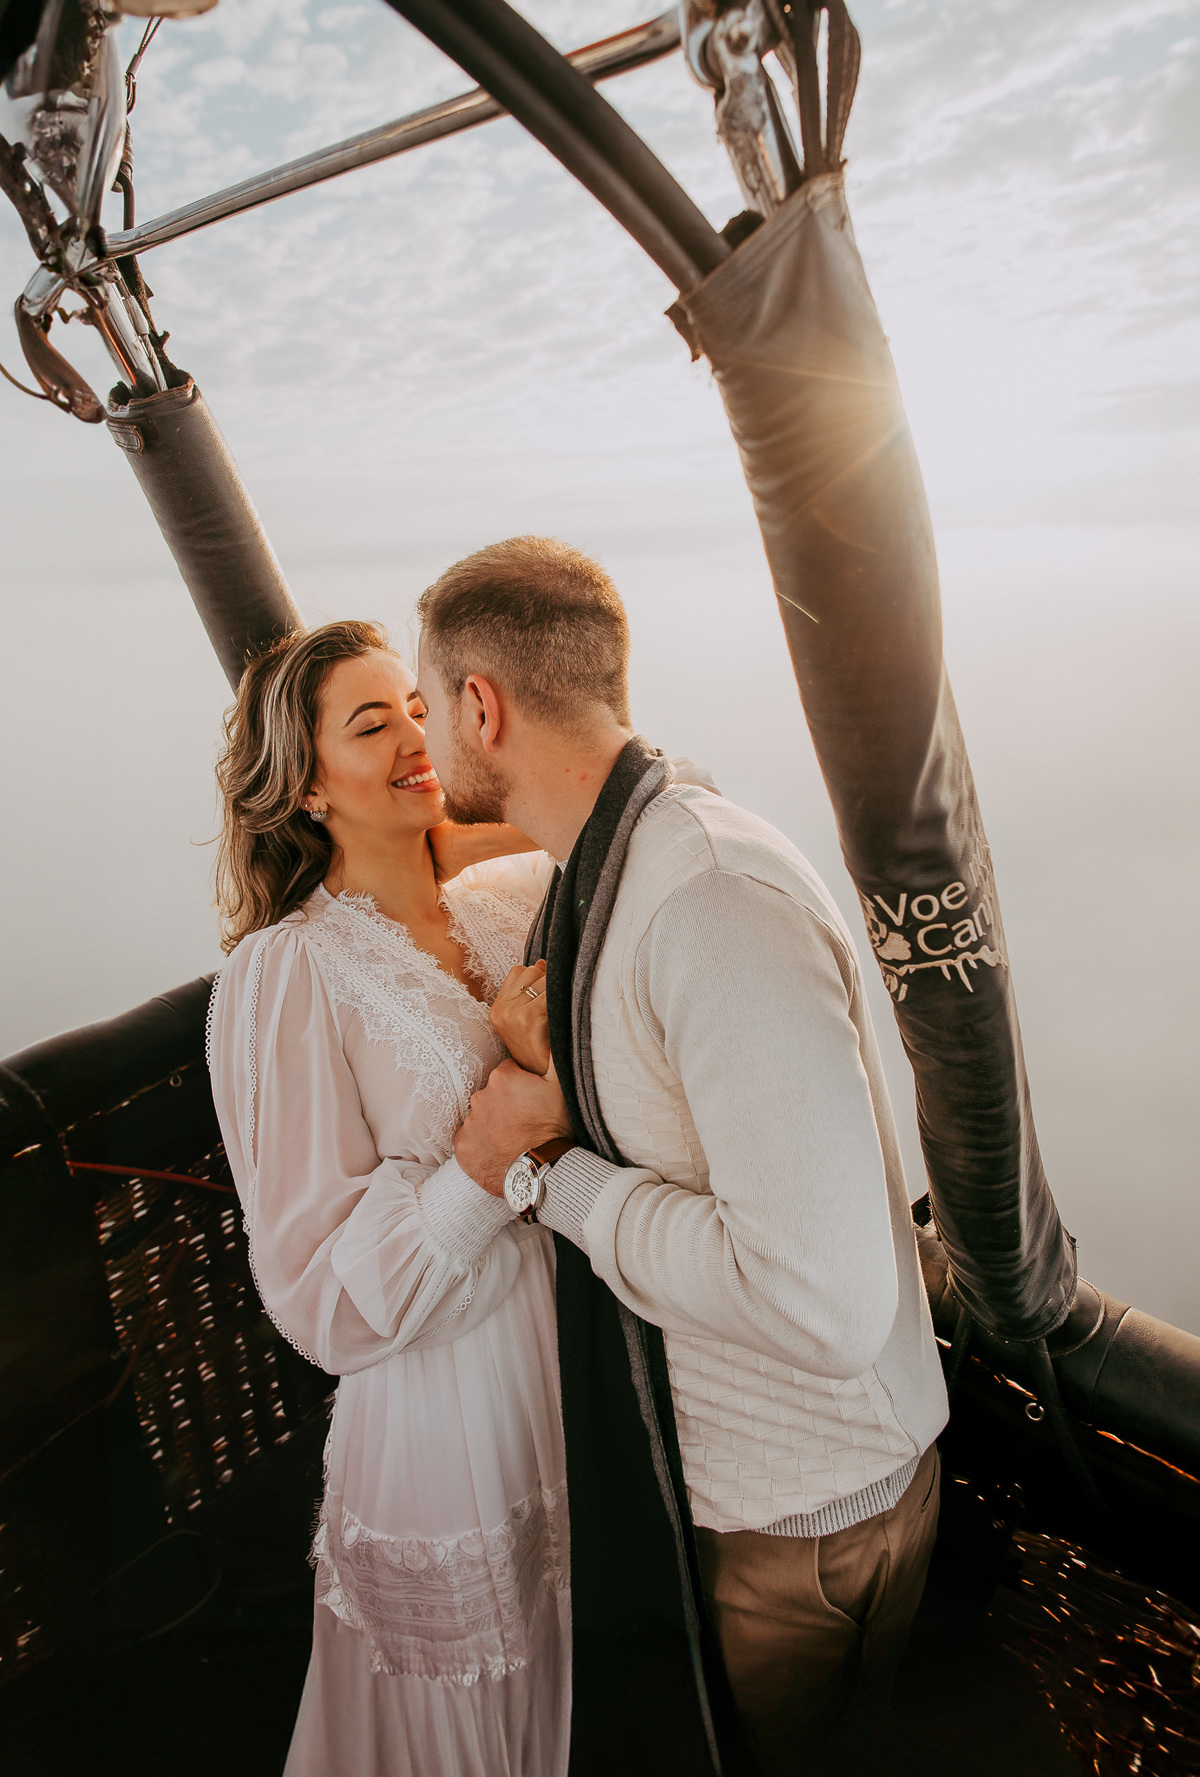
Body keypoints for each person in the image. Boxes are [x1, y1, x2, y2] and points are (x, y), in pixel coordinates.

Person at [416, 536, 951, 1776]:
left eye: (433, 705)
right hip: (770, 1503)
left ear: (481, 706)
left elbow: (818, 1302)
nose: (428, 739)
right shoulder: (608, 869)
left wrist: (552, 1181)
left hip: (807, 1525)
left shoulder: (703, 896)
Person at [205, 620, 575, 1777]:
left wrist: (471, 819)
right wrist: (498, 1129)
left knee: (585, 1683)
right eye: (374, 726)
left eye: (421, 709)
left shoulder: (511, 903)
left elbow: (657, 804)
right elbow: (316, 1292)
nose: (418, 738)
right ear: (306, 781)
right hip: (444, 1409)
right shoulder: (287, 974)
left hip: (582, 1375)